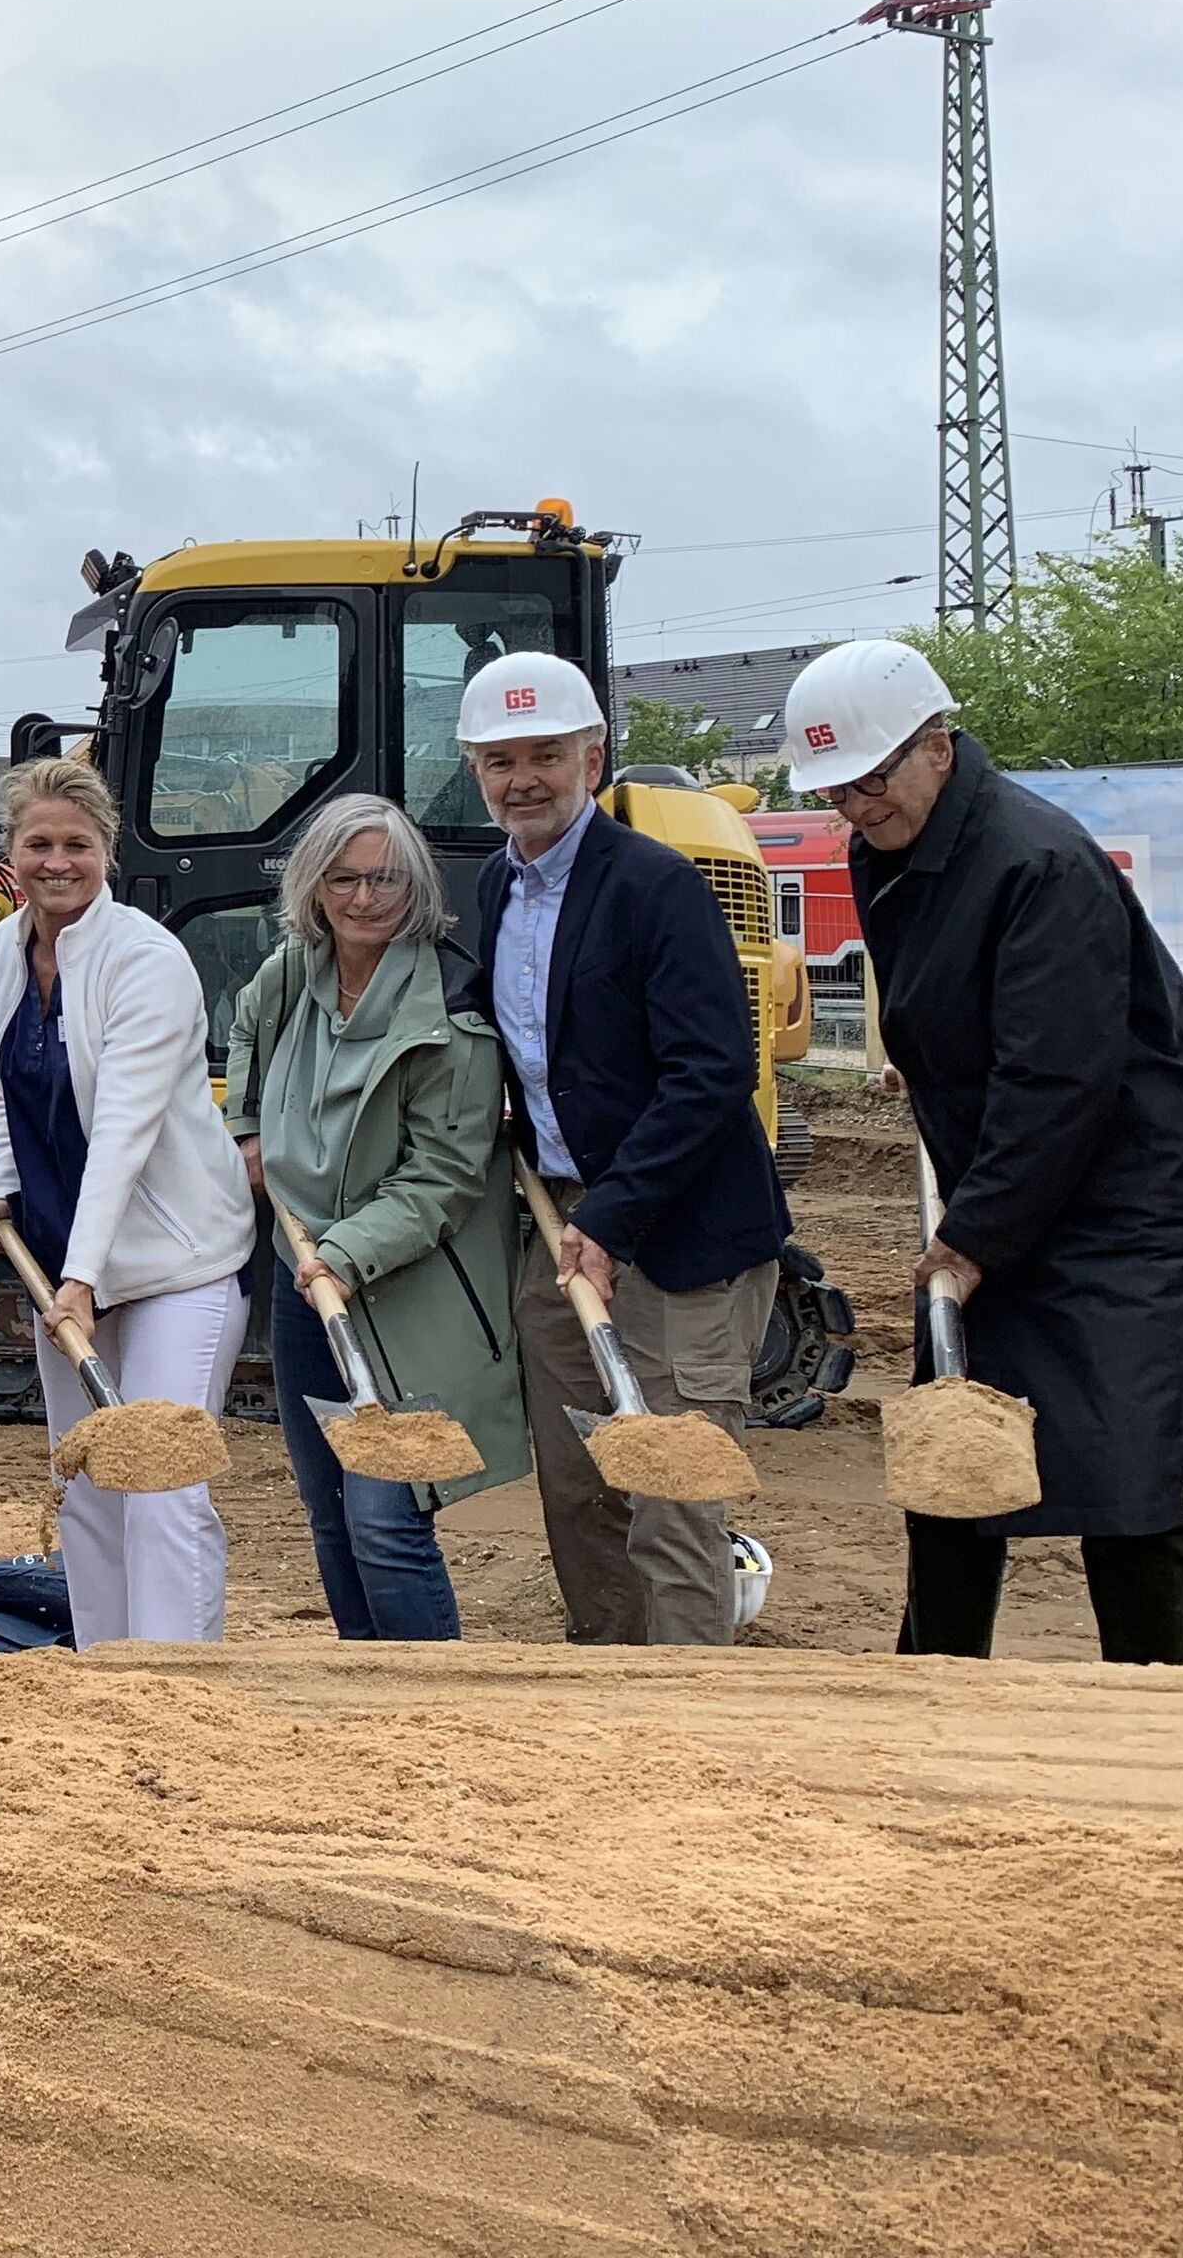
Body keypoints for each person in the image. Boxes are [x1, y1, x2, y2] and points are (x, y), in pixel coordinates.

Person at [785, 640, 1183, 1666]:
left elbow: (1060, 1078)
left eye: (872, 780)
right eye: (837, 792)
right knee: (951, 1449)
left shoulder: (1038, 863)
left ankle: (1153, 1699)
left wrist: (972, 1237)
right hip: (1016, 1182)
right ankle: (938, 1682)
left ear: (936, 748)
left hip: (1134, 1205)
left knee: (1121, 1475)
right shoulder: (888, 850)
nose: (858, 806)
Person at [456, 652, 790, 1647]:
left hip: (681, 1234)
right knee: (579, 1486)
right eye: (500, 760)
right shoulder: (497, 885)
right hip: (563, 1218)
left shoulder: (657, 885)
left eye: (546, 756)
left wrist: (612, 1215)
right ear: (475, 770)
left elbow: (712, 1071)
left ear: (592, 759)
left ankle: (686, 1701)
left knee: (672, 1491)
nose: (523, 780)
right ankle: (606, 1681)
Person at [0, 757, 259, 1646]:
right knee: (87, 1482)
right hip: (66, 1261)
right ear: (11, 852)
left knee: (161, 1483)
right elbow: (11, 1090)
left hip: (176, 1262)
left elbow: (125, 1127)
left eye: (77, 845)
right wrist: (7, 1190)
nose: (57, 863)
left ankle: (174, 1681)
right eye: (38, 844)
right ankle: (105, 1676)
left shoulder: (148, 961)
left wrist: (81, 1278)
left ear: (108, 852)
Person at [223, 794, 526, 1641]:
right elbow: (245, 1033)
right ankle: (365, 1680)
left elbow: (443, 1178)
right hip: (303, 1274)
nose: (363, 898)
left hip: (410, 1286)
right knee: (327, 1504)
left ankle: (433, 1694)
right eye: (344, 879)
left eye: (385, 880)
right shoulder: (294, 973)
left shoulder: (449, 1016)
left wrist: (346, 1254)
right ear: (314, 887)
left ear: (416, 887)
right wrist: (247, 1128)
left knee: (386, 1518)